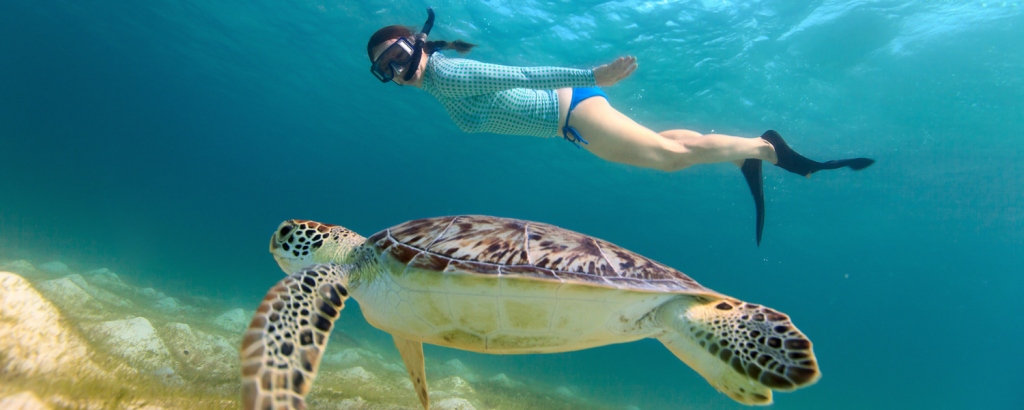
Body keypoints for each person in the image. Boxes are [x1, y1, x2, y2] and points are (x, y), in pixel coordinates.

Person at [367, 9, 874, 245]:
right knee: (669, 147)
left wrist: (595, 75)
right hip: (569, 117)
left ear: (415, 43)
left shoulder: (448, 73)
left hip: (569, 111)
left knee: (669, 161)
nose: (395, 70)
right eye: (383, 69)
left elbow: (520, 75)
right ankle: (748, 151)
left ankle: (766, 150)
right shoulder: (438, 83)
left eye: (394, 55)